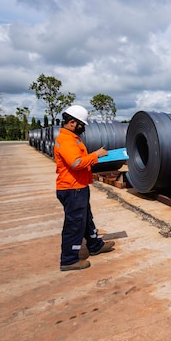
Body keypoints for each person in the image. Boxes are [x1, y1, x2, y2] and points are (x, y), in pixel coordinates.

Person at [54, 104, 114, 271]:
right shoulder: (66, 140)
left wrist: (94, 154)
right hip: (72, 189)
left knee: (85, 219)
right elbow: (76, 163)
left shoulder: (72, 139)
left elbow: (79, 158)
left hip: (78, 187)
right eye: (81, 125)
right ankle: (68, 260)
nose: (83, 128)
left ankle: (95, 245)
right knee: (74, 224)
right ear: (72, 122)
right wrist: (96, 156)